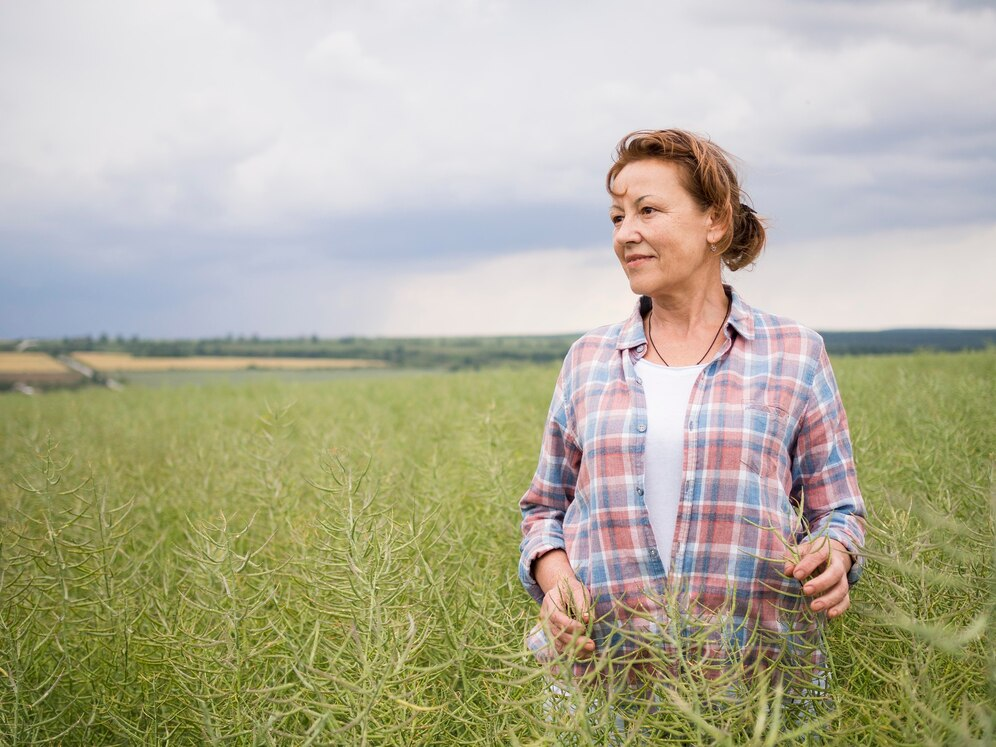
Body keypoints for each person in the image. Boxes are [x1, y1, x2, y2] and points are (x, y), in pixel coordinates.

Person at [518, 129, 866, 691]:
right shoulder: (587, 358)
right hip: (605, 683)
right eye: (616, 217)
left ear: (716, 222)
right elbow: (543, 511)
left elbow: (840, 511)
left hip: (759, 686)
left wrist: (834, 556)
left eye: (648, 210)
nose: (626, 233)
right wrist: (555, 579)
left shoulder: (796, 353)